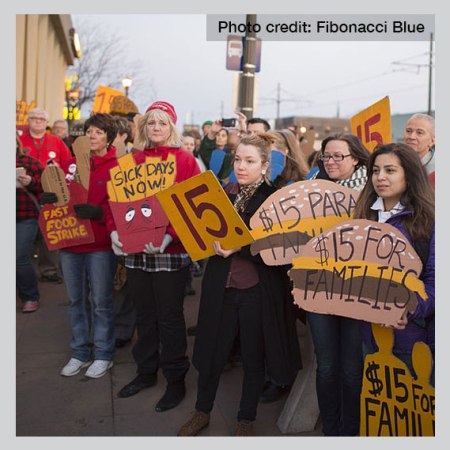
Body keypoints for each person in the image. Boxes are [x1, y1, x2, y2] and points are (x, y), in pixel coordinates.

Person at [178, 133, 300, 437]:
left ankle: (246, 419)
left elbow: (282, 250)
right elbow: (204, 235)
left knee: (253, 355)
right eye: (238, 159)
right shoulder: (223, 193)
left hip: (257, 291)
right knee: (212, 353)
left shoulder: (276, 199)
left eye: (249, 161)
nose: (241, 166)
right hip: (221, 287)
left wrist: (240, 247)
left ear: (264, 165)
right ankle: (201, 412)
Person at [112, 101, 200, 412]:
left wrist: (169, 236)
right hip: (137, 252)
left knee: (170, 318)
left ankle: (176, 379)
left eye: (162, 123)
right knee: (144, 316)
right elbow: (118, 201)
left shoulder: (185, 160)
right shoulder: (131, 160)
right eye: (151, 123)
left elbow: (190, 203)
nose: (156, 128)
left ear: (172, 127)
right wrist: (115, 232)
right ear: (144, 128)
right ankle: (145, 372)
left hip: (170, 253)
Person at [41, 113, 119, 379]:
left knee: (101, 301)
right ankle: (80, 351)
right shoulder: (70, 164)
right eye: (89, 131)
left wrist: (99, 213)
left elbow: (121, 204)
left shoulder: (116, 166)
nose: (92, 136)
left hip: (99, 245)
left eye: (98, 132)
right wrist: (50, 196)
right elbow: (61, 197)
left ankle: (103, 353)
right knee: (75, 300)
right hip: (70, 243)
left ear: (109, 137)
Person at [353, 143, 435, 385]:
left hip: (410, 339)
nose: (380, 177)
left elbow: (436, 281)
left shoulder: (428, 222)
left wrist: (407, 307)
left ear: (408, 175)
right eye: (375, 170)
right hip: (368, 337)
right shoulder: (361, 217)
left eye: (390, 170)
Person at [308, 133, 370, 436]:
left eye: (338, 156)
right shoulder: (311, 192)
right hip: (319, 290)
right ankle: (330, 431)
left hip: (358, 295)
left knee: (351, 370)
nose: (330, 162)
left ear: (355, 159)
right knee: (327, 366)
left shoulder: (372, 194)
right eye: (326, 156)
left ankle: (351, 432)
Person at [20, 108, 71, 284]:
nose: (38, 121)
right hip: (26, 194)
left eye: (42, 119)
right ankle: (22, 268)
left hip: (50, 192)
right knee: (25, 232)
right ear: (28, 120)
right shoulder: (20, 140)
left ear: (46, 122)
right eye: (34, 118)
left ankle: (49, 269)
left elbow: (68, 162)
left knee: (50, 232)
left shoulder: (56, 141)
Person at [16, 134, 44, 313]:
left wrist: (31, 182)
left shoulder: (29, 162)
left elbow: (48, 184)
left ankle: (30, 296)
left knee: (18, 258)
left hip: (26, 216)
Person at [403, 113, 435, 189]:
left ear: (432, 140)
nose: (412, 137)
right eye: (409, 131)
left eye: (419, 132)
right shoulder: (396, 161)